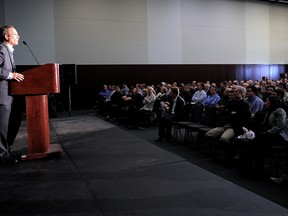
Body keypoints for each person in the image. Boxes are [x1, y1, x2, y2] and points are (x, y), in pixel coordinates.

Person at [0, 25, 24, 165]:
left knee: (12, 122)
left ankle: (6, 150)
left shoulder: (9, 51)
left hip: (9, 96)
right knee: (2, 127)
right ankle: (2, 155)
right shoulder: (2, 49)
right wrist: (11, 75)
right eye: (15, 34)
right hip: (2, 96)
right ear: (6, 36)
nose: (18, 36)